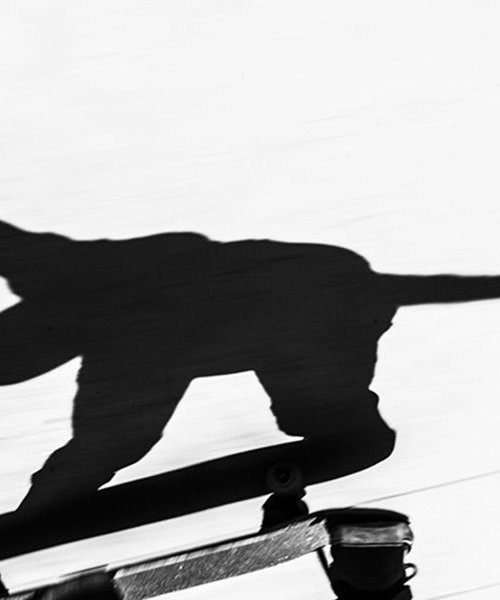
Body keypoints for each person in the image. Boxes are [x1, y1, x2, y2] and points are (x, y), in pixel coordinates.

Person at [1, 219, 499, 514]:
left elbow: (107, 438)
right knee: (116, 434)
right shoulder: (65, 276)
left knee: (116, 437)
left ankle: (349, 424)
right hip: (292, 296)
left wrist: (38, 519)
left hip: (315, 301)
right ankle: (345, 423)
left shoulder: (86, 295)